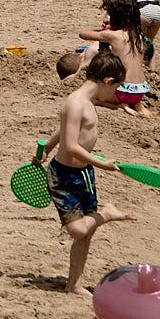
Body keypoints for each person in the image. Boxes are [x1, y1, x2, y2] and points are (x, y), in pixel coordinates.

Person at [47, 47, 136, 294]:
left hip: (83, 175)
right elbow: (71, 145)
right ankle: (106, 213)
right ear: (107, 81)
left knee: (86, 233)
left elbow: (63, 129)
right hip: (63, 175)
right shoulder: (76, 103)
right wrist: (101, 163)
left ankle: (74, 283)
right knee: (77, 230)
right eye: (116, 88)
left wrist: (46, 147)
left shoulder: (89, 100)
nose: (115, 94)